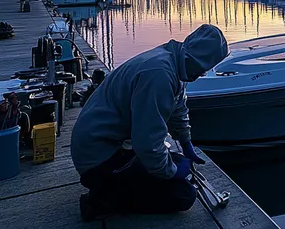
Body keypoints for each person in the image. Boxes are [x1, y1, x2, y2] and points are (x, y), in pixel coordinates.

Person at [71, 24, 229, 221]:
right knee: (184, 195)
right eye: (203, 68)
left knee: (177, 161)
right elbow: (147, 141)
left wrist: (186, 142)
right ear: (193, 58)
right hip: (98, 159)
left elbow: (178, 107)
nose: (203, 74)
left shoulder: (174, 61)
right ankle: (101, 201)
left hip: (111, 146)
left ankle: (117, 185)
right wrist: (171, 172)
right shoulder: (159, 74)